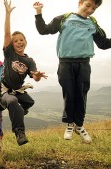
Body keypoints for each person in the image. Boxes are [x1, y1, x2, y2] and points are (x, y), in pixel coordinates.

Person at [33, 0, 111, 143]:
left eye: (94, 8)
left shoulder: (93, 23)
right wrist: (38, 13)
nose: (90, 10)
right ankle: (69, 124)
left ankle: (79, 125)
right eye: (88, 5)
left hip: (84, 64)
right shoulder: (64, 18)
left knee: (81, 94)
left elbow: (104, 44)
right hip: (65, 63)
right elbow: (43, 30)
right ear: (80, 2)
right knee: (69, 93)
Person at [2, 0, 47, 146]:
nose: (19, 42)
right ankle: (19, 132)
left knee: (29, 102)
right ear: (12, 44)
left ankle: (20, 111)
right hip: (5, 90)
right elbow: (7, 33)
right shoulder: (9, 54)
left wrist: (37, 76)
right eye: (16, 41)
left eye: (22, 40)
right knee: (13, 101)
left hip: (18, 90)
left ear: (25, 42)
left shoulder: (29, 60)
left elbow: (34, 76)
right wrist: (8, 14)